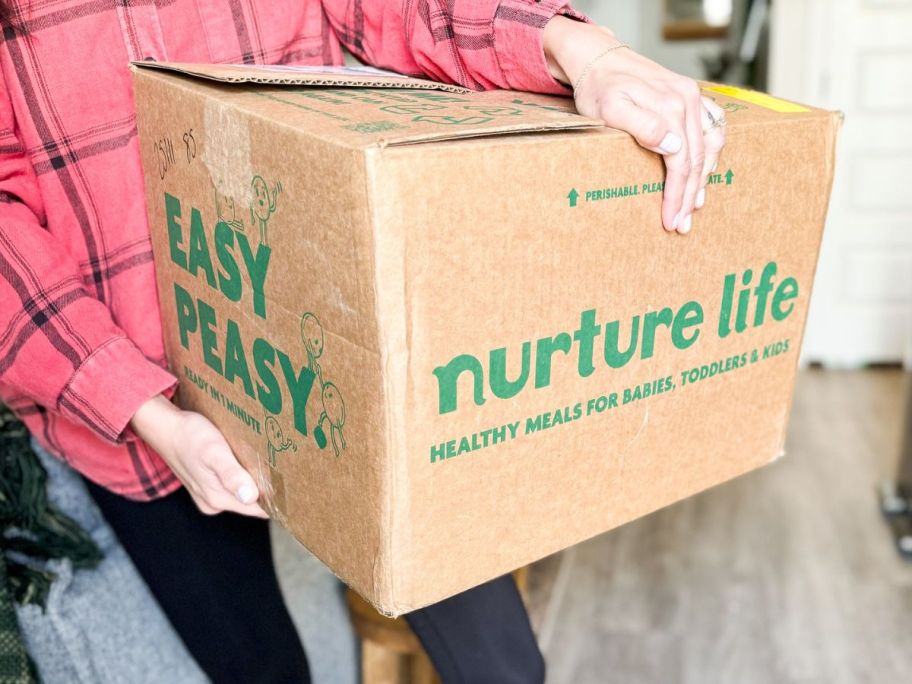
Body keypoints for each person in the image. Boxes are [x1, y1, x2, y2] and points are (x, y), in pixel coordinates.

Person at [0, 2, 726, 682]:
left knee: (502, 664)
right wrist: (144, 412)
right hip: (136, 394)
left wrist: (578, 49)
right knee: (263, 668)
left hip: (330, 331)